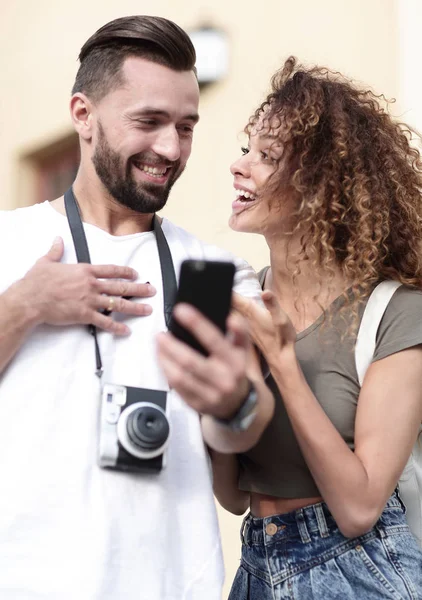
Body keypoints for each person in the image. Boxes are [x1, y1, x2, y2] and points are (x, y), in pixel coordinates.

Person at [0, 16, 275, 600]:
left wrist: (235, 403)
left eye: (186, 126)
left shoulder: (220, 275)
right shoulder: (8, 246)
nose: (171, 149)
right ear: (83, 115)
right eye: (148, 122)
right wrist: (24, 305)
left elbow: (238, 475)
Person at [218, 57, 422, 598]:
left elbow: (359, 508)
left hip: (360, 570)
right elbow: (233, 493)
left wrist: (282, 363)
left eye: (267, 157)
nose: (240, 166)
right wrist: (214, 393)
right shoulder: (239, 300)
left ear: (320, 186)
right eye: (246, 149)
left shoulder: (395, 313)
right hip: (255, 565)